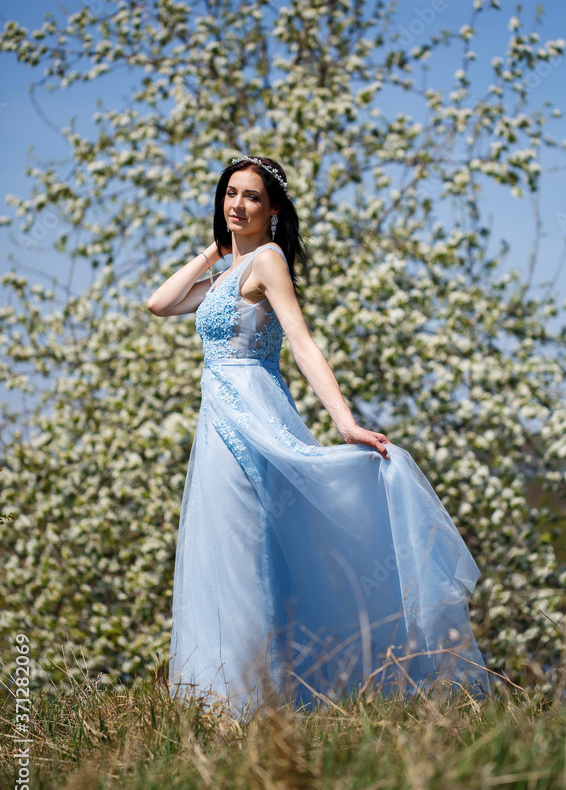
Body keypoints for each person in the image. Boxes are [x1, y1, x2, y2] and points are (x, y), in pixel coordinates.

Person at [147, 155, 489, 719]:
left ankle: (259, 703)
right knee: (222, 552)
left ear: (273, 208)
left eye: (252, 197)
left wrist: (345, 423)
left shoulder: (269, 261)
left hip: (251, 419)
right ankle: (226, 702)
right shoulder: (229, 270)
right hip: (217, 425)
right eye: (230, 194)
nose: (238, 204)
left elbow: (303, 343)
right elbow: (159, 304)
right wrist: (215, 248)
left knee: (249, 551)